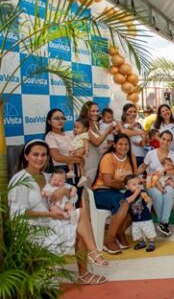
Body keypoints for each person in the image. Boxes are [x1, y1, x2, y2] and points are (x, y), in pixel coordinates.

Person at [9, 140, 109, 285]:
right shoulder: (20, 180)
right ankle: (89, 262)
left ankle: (90, 258)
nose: (40, 158)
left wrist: (65, 190)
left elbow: (72, 194)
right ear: (26, 156)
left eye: (44, 155)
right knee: (80, 225)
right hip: (32, 226)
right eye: (35, 154)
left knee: (81, 214)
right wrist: (50, 214)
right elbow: (18, 213)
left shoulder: (48, 177)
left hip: (53, 219)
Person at [92, 134, 136, 254]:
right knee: (125, 203)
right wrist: (124, 185)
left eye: (126, 144)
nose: (123, 147)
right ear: (114, 145)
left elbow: (134, 178)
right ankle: (109, 240)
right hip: (102, 191)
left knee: (138, 205)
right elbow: (108, 181)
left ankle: (119, 232)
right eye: (120, 144)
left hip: (118, 192)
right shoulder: (108, 158)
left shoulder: (129, 158)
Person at [138, 130, 174, 237]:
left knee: (168, 192)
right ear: (159, 138)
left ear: (171, 142)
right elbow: (143, 167)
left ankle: (163, 222)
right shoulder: (151, 153)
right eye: (163, 139)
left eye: (168, 140)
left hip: (169, 181)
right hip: (153, 182)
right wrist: (132, 175)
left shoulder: (172, 154)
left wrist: (164, 172)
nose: (165, 142)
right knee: (157, 194)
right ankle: (163, 223)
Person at [45, 109, 87, 190]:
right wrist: (78, 160)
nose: (60, 121)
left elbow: (83, 142)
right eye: (56, 118)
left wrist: (82, 152)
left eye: (62, 118)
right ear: (49, 122)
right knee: (67, 198)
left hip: (78, 170)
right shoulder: (50, 136)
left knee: (77, 196)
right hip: (62, 172)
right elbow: (57, 157)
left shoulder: (70, 133)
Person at [80, 101, 115, 186]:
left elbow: (102, 139)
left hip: (99, 159)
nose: (96, 113)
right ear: (86, 111)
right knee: (89, 188)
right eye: (92, 111)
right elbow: (96, 142)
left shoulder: (96, 124)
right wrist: (107, 131)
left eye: (97, 111)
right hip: (89, 162)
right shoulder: (83, 126)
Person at [123, 174, 156, 252]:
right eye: (134, 184)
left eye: (138, 184)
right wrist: (136, 194)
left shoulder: (142, 191)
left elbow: (147, 200)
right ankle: (142, 242)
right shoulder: (127, 193)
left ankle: (151, 243)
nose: (137, 186)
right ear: (127, 187)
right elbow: (128, 201)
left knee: (149, 231)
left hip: (145, 217)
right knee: (136, 232)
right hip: (135, 218)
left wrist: (145, 197)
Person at [119, 103, 147, 168]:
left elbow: (144, 138)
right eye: (130, 111)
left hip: (142, 155)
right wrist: (140, 132)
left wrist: (144, 136)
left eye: (134, 111)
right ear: (124, 113)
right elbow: (125, 132)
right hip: (131, 158)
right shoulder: (122, 125)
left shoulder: (138, 125)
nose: (133, 114)